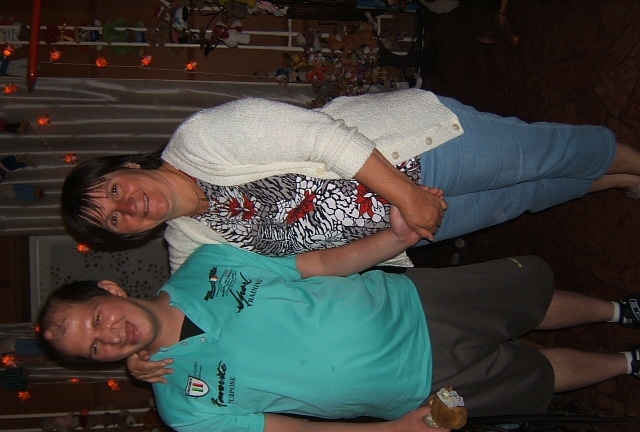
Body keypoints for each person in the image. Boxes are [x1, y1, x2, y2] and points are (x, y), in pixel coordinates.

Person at [39, 206, 640, 432]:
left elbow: (319, 265)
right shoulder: (180, 406)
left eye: (96, 319)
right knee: (537, 374)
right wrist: (396, 431)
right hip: (413, 386)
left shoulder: (205, 265)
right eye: (93, 348)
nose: (108, 336)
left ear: (109, 289)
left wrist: (395, 238)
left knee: (527, 304)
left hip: (415, 302)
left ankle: (620, 310)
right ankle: (629, 363)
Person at [61, 88, 640, 272]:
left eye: (113, 191)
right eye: (113, 220)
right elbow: (197, 311)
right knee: (528, 197)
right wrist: (153, 354)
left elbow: (322, 138)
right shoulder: (190, 249)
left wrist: (410, 197)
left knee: (542, 153)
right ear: (127, 236)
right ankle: (617, 180)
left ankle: (632, 159)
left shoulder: (200, 139)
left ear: (127, 167)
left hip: (419, 155)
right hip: (405, 228)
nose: (127, 207)